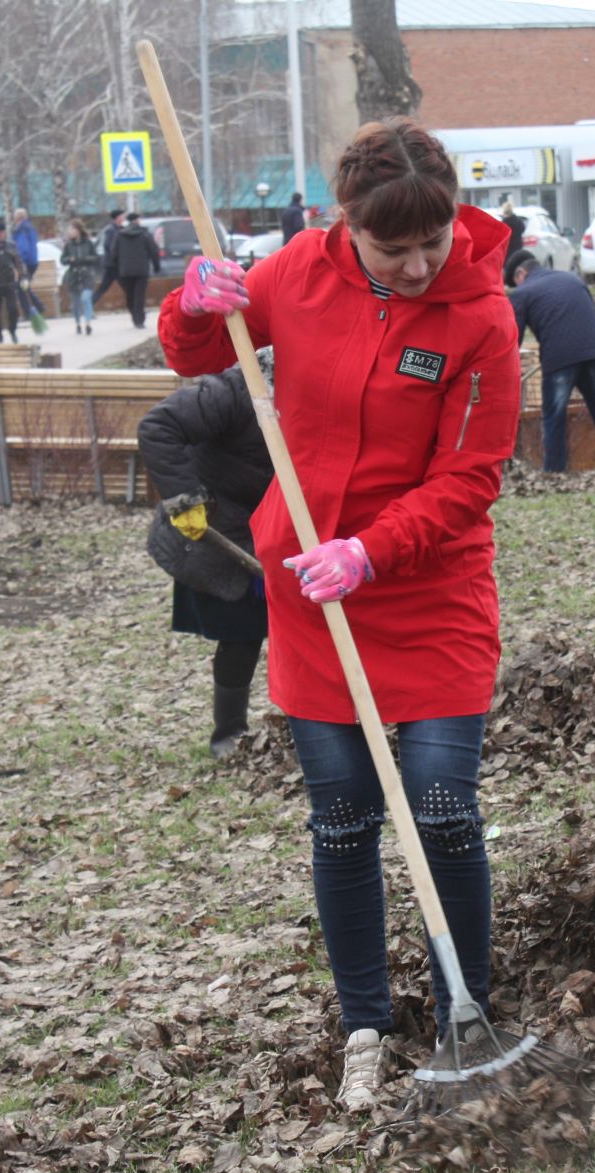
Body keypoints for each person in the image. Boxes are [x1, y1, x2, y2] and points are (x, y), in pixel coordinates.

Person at [159, 117, 521, 1114]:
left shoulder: (483, 317)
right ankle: (365, 1018)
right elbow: (196, 348)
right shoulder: (296, 276)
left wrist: (373, 549)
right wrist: (194, 303)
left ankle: (464, 1009)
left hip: (428, 584)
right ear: (345, 222)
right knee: (345, 814)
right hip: (313, 594)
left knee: (443, 802)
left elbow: (473, 474)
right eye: (389, 246)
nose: (414, 264)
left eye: (430, 242)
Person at [137, 361, 276, 756]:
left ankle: (319, 728)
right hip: (220, 531)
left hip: (284, 527)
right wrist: (184, 498)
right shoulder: (236, 388)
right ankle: (228, 734)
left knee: (309, 633)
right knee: (240, 634)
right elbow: (157, 427)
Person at [505, 250, 595, 472]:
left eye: (514, 280)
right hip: (593, 352)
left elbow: (514, 338)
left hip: (559, 359)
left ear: (521, 273)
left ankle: (555, 473)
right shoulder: (573, 279)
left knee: (554, 417)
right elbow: (591, 315)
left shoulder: (523, 293)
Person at [108, 211, 161, 329]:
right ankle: (139, 320)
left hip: (125, 270)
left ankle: (134, 316)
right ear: (137, 220)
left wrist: (118, 267)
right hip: (141, 270)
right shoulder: (144, 234)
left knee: (130, 294)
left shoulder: (120, 235)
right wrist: (156, 266)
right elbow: (153, 251)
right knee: (139, 295)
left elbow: (114, 253)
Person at [61, 219, 100, 335]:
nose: (70, 231)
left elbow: (95, 257)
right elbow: (62, 259)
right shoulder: (68, 245)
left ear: (78, 230)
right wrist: (69, 259)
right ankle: (77, 323)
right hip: (73, 276)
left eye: (72, 229)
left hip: (86, 275)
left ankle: (88, 323)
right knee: (76, 302)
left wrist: (88, 258)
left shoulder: (88, 243)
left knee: (85, 298)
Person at [10, 207, 43, 317]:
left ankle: (29, 312)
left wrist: (19, 262)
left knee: (21, 288)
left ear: (17, 218)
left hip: (26, 262)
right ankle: (38, 307)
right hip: (32, 261)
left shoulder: (21, 229)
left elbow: (23, 248)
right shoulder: (30, 227)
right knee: (24, 286)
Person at [93, 208, 127, 309]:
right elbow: (108, 246)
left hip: (118, 265)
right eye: (122, 216)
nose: (124, 218)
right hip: (111, 265)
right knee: (104, 287)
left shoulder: (121, 229)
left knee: (126, 288)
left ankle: (135, 309)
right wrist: (116, 257)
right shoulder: (111, 230)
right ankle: (89, 306)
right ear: (118, 218)